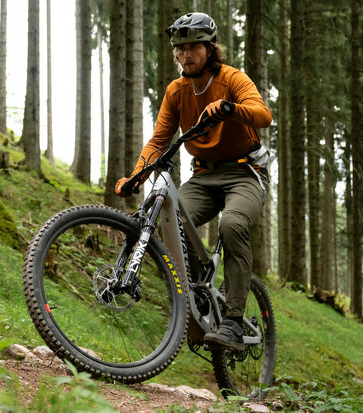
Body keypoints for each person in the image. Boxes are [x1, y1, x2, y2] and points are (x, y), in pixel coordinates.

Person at [114, 12, 272, 351]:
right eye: (180, 49)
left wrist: (230, 108)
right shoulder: (176, 91)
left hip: (245, 173)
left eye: (194, 47)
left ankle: (232, 321)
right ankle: (200, 291)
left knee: (231, 224)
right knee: (167, 223)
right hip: (203, 176)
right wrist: (135, 176)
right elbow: (159, 141)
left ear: (209, 48)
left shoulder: (232, 79)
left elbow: (263, 115)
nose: (186, 55)